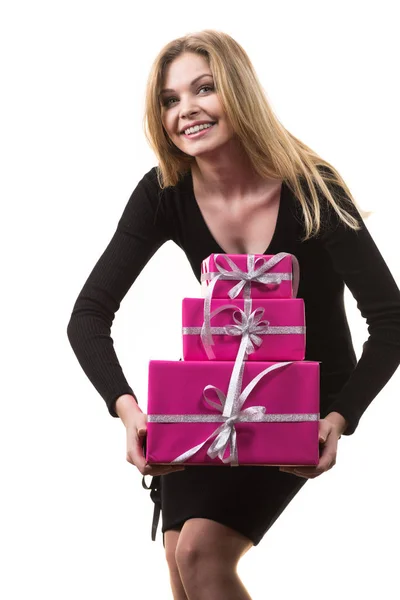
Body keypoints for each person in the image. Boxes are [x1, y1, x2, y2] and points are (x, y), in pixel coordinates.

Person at [67, 29, 400, 600]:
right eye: (170, 100)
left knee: (201, 552)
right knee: (179, 560)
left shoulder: (313, 187)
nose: (186, 110)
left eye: (204, 89)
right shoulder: (164, 191)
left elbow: (391, 319)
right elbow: (89, 315)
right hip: (209, 398)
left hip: (301, 400)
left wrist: (341, 417)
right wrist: (130, 412)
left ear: (239, 92)